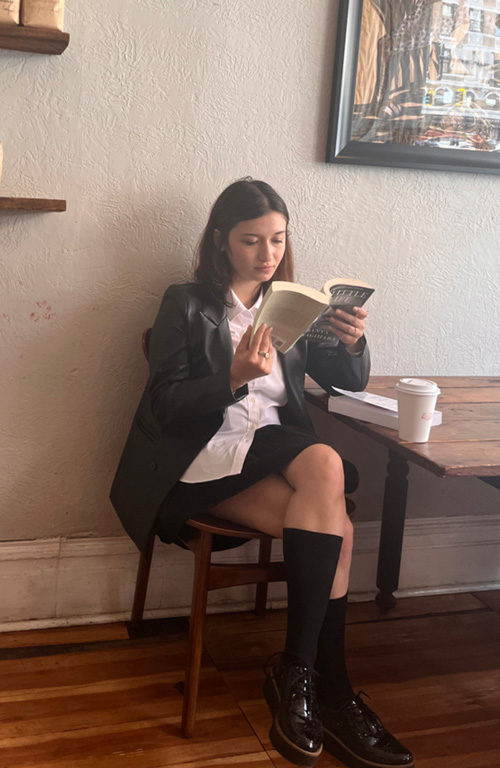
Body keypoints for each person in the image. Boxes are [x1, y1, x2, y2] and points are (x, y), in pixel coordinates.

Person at [110, 178, 413, 768]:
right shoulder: (187, 302)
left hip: (272, 447)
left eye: (277, 240)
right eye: (252, 241)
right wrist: (232, 376)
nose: (267, 254)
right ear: (221, 240)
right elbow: (166, 405)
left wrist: (353, 344)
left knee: (323, 477)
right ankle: (327, 687)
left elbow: (344, 382)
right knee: (336, 513)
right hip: (202, 457)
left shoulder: (293, 306)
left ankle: (303, 680)